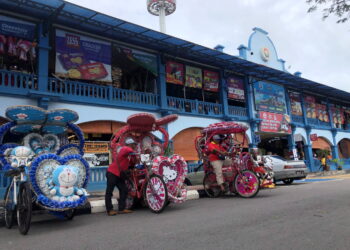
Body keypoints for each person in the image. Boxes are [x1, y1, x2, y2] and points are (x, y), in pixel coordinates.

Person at [105, 138, 137, 216]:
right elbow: (128, 149)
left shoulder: (129, 155)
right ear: (130, 144)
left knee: (124, 190)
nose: (135, 146)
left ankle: (122, 208)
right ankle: (109, 210)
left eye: (135, 145)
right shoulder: (124, 149)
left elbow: (133, 163)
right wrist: (135, 152)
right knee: (109, 191)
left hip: (120, 175)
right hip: (112, 173)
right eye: (134, 144)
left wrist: (135, 158)